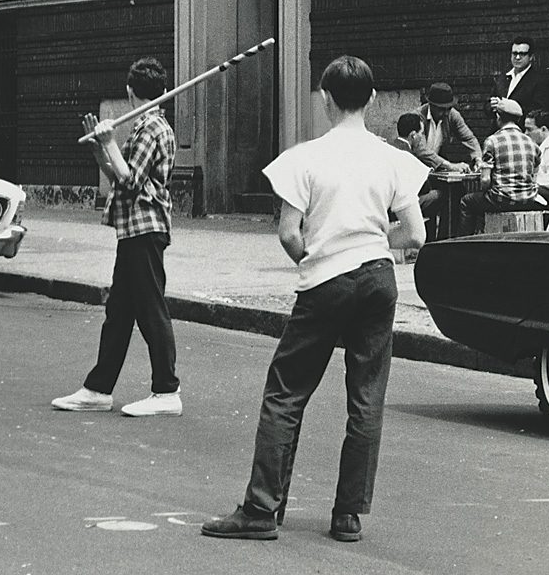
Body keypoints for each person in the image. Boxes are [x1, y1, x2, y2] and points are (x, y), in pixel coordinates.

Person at [202, 54, 426, 545]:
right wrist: (368, 238)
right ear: (371, 99)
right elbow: (415, 234)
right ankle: (348, 513)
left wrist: (318, 253)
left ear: (325, 99)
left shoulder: (304, 157)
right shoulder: (392, 159)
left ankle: (262, 507)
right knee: (366, 397)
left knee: (286, 392)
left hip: (326, 280)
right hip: (377, 278)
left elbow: (288, 234)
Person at [52, 56, 181, 418]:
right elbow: (116, 173)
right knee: (119, 313)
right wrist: (100, 147)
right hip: (133, 229)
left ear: (128, 92)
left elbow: (130, 181)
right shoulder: (144, 127)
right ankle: (98, 389)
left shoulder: (153, 129)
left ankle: (167, 390)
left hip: (145, 229)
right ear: (165, 91)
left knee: (150, 310)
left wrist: (109, 141)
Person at [461, 96, 542, 229]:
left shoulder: (492, 141)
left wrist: (486, 189)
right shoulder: (532, 143)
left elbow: (485, 180)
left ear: (498, 116)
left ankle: (463, 245)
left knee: (467, 202)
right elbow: (534, 177)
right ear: (518, 119)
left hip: (501, 199)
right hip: (528, 199)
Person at [395, 113, 442, 237]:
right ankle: (433, 240)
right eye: (421, 134)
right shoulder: (408, 155)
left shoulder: (391, 147)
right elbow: (423, 187)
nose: (421, 138)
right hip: (400, 206)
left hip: (390, 202)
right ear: (413, 135)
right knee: (438, 195)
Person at [417, 82, 482, 170]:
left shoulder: (452, 115)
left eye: (449, 108)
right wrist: (450, 166)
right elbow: (422, 150)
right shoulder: (418, 117)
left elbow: (469, 138)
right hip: (417, 167)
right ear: (431, 105)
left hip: (437, 168)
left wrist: (478, 159)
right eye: (442, 109)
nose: (446, 113)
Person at [489, 40, 549, 125]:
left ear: (531, 57)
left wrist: (511, 108)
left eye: (522, 54)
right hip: (499, 131)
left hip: (523, 132)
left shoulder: (538, 81)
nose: (517, 57)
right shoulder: (503, 77)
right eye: (514, 53)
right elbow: (487, 105)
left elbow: (539, 111)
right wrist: (491, 106)